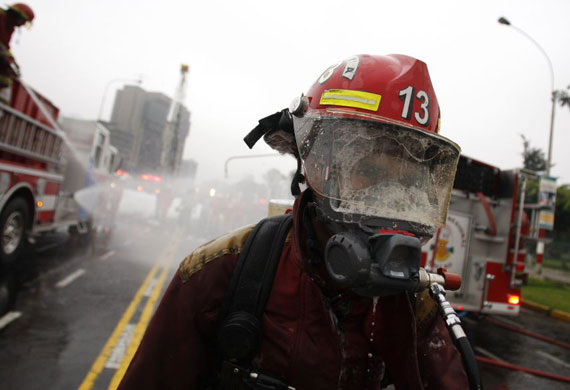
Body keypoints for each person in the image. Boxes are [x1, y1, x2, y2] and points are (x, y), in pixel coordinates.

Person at [118, 54, 469, 389]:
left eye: (406, 182)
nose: (389, 201)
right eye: (370, 170)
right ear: (316, 165)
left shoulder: (415, 303)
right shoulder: (218, 275)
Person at [0, 3, 34, 103]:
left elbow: (5, 46)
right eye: (23, 21)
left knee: (6, 76)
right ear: (17, 15)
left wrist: (12, 62)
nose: (22, 25)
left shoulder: (10, 27)